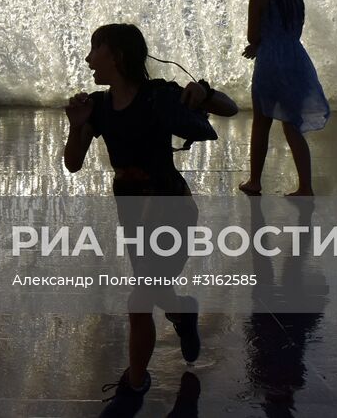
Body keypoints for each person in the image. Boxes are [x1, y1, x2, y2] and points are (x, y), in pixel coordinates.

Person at [63, 23, 238, 412]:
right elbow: (73, 163)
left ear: (118, 57)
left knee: (140, 297)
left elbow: (230, 108)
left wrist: (205, 93)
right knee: (153, 291)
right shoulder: (100, 106)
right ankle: (183, 312)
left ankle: (135, 385)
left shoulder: (160, 95)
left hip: (171, 209)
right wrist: (76, 127)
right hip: (134, 217)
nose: (89, 58)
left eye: (96, 50)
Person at [238, 0, 330, 198]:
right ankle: (305, 186)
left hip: (269, 62)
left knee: (262, 122)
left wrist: (256, 44)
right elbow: (293, 32)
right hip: (296, 60)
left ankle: (255, 181)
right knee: (292, 125)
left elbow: (252, 35)